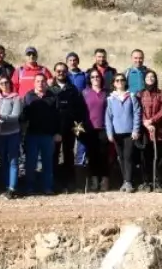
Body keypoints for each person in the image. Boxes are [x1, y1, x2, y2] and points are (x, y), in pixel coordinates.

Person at [49, 61, 88, 192]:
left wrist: (78, 127)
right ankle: (54, 182)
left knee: (69, 154)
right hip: (54, 128)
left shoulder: (73, 89)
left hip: (70, 127)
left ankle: (69, 182)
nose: (61, 73)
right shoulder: (50, 89)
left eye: (63, 71)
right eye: (58, 71)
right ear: (55, 72)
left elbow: (80, 109)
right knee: (53, 155)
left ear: (67, 73)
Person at [22, 73, 60, 196]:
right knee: (30, 163)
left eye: (43, 81)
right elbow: (23, 116)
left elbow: (58, 117)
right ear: (34, 83)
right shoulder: (28, 96)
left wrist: (58, 132)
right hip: (32, 135)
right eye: (38, 81)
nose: (40, 83)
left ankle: (47, 187)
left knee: (47, 163)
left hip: (48, 136)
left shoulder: (52, 97)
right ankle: (29, 187)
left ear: (46, 83)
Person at [104, 73, 140, 192]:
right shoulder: (110, 99)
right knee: (121, 157)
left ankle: (129, 182)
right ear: (114, 83)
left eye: (122, 80)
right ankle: (125, 181)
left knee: (128, 157)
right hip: (116, 133)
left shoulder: (132, 96)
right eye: (117, 80)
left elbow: (137, 114)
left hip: (129, 133)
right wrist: (109, 133)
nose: (120, 82)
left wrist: (136, 130)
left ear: (125, 82)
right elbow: (108, 117)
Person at [0, 75, 22, 198]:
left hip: (13, 133)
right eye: (1, 83)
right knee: (3, 161)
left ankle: (12, 187)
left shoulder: (16, 98)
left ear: (10, 83)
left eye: (6, 83)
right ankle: (6, 185)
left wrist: (0, 117)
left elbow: (15, 116)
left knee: (13, 160)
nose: (4, 85)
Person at [138, 70, 162, 192]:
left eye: (153, 76)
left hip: (159, 129)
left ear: (156, 79)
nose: (150, 78)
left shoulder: (161, 94)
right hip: (144, 130)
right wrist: (145, 122)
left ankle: (159, 182)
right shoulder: (139, 94)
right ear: (144, 79)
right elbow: (137, 110)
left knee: (159, 157)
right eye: (148, 76)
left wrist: (152, 121)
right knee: (145, 156)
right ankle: (146, 182)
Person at [81, 70, 110, 192]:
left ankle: (104, 181)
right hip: (89, 129)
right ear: (89, 79)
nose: (95, 78)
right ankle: (93, 182)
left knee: (104, 156)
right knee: (92, 156)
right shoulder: (84, 93)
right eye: (92, 77)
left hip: (104, 128)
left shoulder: (107, 93)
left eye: (97, 76)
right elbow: (80, 111)